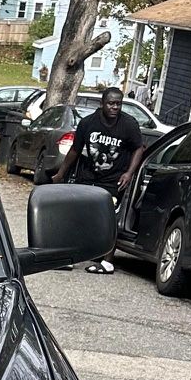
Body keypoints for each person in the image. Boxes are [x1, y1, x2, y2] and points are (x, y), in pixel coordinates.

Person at [54, 85, 145, 272]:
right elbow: (75, 150)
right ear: (102, 103)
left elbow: (139, 148)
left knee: (108, 218)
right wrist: (61, 172)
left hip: (113, 180)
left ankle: (107, 262)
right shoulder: (88, 123)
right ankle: (68, 257)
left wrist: (129, 173)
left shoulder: (129, 125)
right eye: (111, 103)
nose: (115, 108)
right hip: (87, 176)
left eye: (118, 104)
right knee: (76, 215)